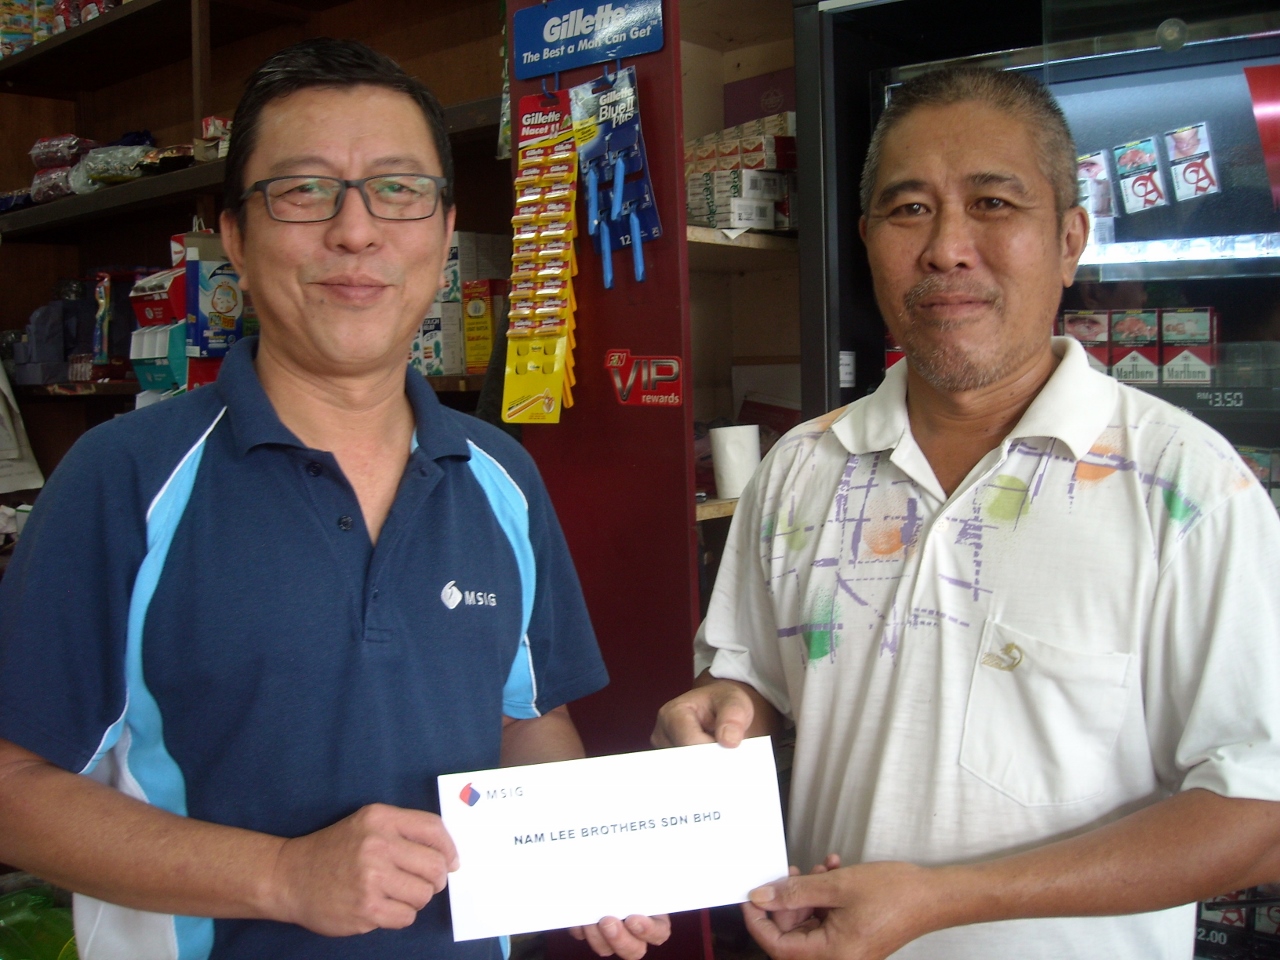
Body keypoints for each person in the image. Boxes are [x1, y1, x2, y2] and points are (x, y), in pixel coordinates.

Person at [0, 39, 668, 960]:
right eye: (305, 190)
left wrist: (587, 857)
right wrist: (282, 875)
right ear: (233, 236)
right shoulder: (125, 476)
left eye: (398, 190)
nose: (356, 233)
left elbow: (526, 715)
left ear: (443, 230)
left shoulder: (501, 475)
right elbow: (13, 789)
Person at [654, 66, 1280, 960]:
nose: (947, 247)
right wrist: (727, 710)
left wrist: (944, 900)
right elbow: (764, 689)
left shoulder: (1187, 489)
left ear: (1070, 239)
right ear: (867, 239)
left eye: (992, 203)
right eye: (910, 210)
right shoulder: (803, 468)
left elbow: (1259, 815)